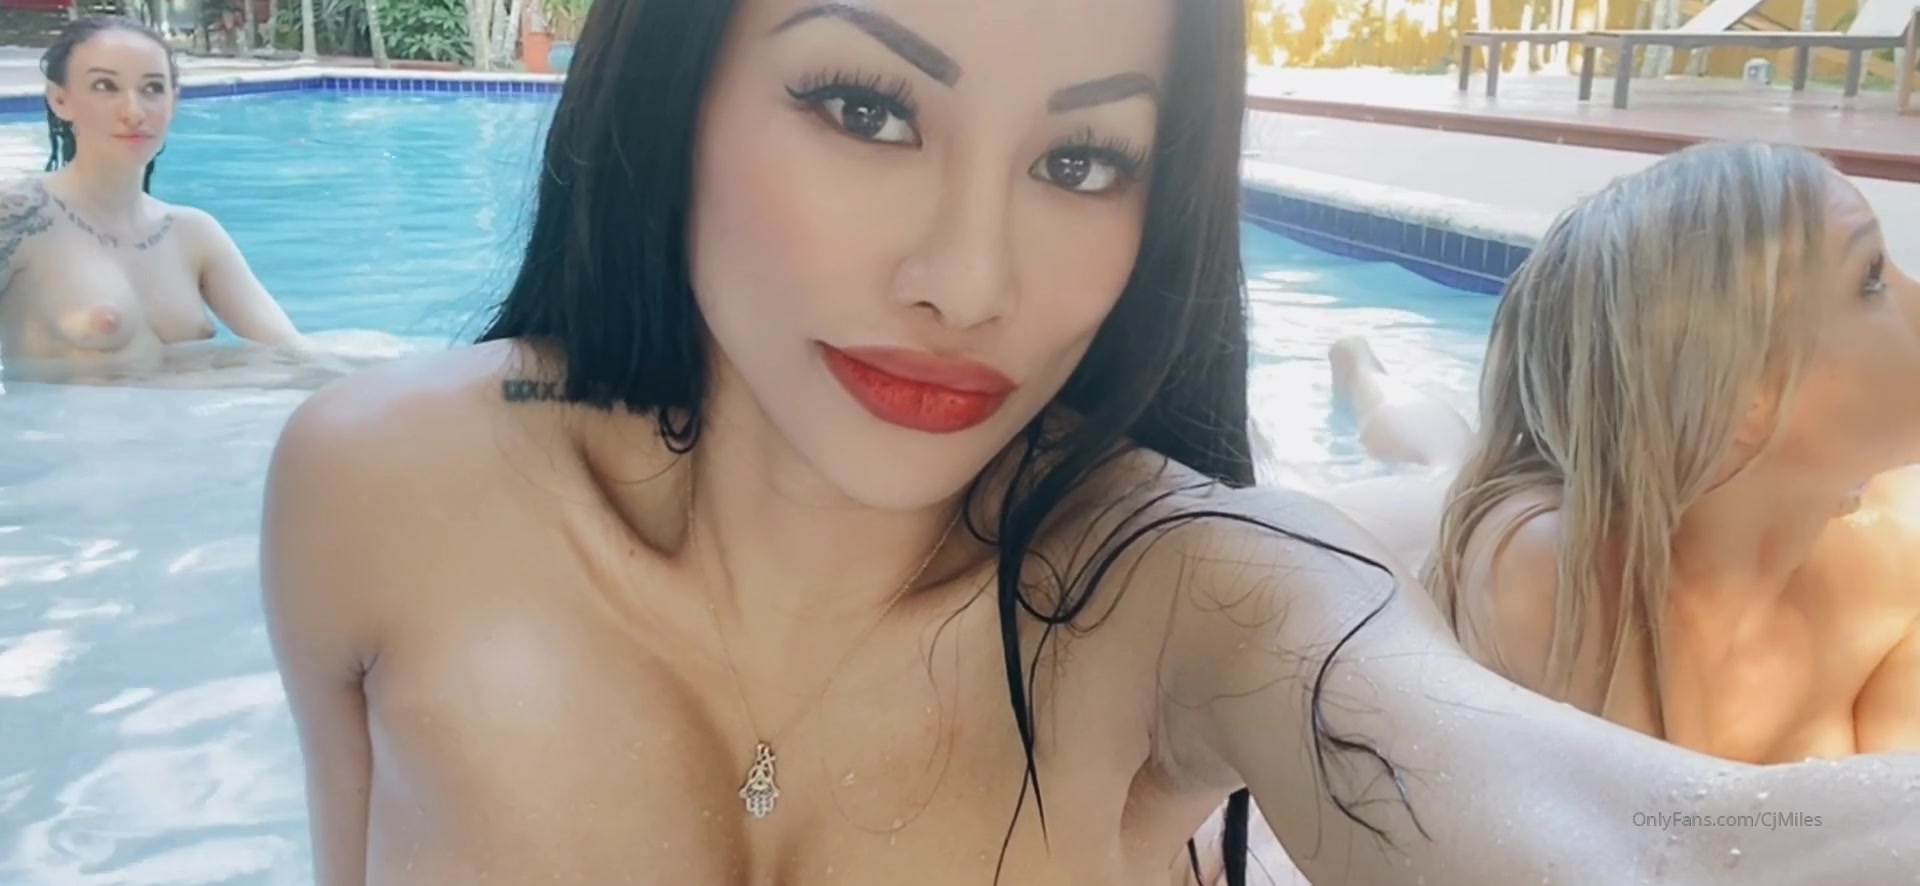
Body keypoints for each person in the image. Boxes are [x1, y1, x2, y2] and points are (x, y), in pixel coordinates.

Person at [260, 4, 1920, 885]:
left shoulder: (1174, 584)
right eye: (866, 107)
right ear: (678, 78)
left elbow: (1638, 842)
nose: (969, 281)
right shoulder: (381, 492)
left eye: (1082, 163)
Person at [1332, 141, 1920, 766]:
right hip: (1429, 526)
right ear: (1742, 393)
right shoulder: (1553, 583)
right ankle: (1361, 370)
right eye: (1871, 277)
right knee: (1440, 464)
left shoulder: (1895, 553)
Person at [0, 15, 301, 382]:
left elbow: (293, 355)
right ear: (60, 99)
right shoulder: (20, 217)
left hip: (199, 416)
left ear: (173, 101)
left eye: (152, 88)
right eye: (105, 86)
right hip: (69, 419)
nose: (134, 112)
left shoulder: (194, 232)